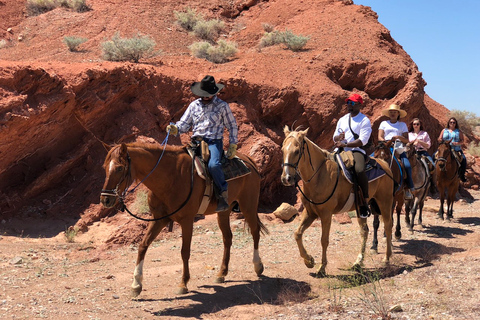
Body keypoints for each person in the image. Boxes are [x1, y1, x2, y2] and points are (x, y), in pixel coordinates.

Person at [166, 75, 238, 211]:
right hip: (195, 143)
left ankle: (223, 194)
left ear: (215, 93)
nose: (205, 97)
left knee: (214, 165)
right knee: (180, 165)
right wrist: (175, 128)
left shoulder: (222, 106)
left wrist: (233, 144)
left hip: (213, 142)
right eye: (203, 94)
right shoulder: (193, 106)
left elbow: (232, 125)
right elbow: (184, 124)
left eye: (208, 95)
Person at [334, 93, 372, 218]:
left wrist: (347, 144)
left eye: (352, 103)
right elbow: (335, 136)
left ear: (360, 105)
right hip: (340, 149)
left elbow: (363, 140)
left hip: (356, 150)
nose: (349, 105)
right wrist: (338, 138)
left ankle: (364, 201)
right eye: (348, 103)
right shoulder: (342, 119)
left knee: (359, 170)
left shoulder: (364, 120)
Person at [378, 104, 414, 199]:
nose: (392, 114)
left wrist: (398, 137)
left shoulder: (402, 125)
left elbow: (406, 140)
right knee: (371, 159)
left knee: (407, 165)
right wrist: (387, 142)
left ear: (398, 114)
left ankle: (407, 188)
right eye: (391, 112)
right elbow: (380, 137)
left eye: (394, 112)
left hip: (398, 147)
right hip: (385, 146)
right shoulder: (383, 123)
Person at [437, 117, 467, 182]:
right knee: (434, 156)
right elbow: (439, 138)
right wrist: (441, 140)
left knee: (464, 159)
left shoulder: (458, 131)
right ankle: (434, 175)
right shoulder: (444, 130)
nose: (452, 124)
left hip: (456, 149)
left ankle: (462, 175)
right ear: (449, 123)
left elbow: (462, 141)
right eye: (451, 122)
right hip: (445, 149)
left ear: (456, 123)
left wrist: (457, 143)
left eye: (454, 122)